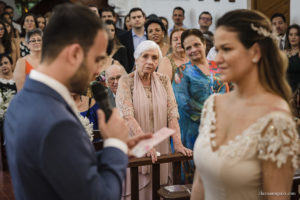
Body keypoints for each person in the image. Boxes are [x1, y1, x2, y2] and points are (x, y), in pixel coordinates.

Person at [4, 4, 151, 200]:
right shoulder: (57, 122)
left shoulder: (23, 98)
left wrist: (114, 153)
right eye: (97, 59)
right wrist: (115, 143)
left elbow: (59, 166)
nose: (99, 71)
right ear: (74, 54)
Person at [191, 9, 299, 200]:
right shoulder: (213, 104)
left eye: (227, 49)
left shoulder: (276, 120)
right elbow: (200, 182)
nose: (217, 59)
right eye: (217, 49)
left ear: (256, 52)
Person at [116, 40, 192, 199]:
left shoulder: (164, 80)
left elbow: (172, 112)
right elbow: (128, 116)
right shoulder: (126, 81)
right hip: (136, 147)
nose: (150, 61)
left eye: (154, 58)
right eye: (145, 56)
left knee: (161, 190)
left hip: (162, 146)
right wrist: (145, 145)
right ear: (136, 58)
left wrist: (177, 143)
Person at [172, 29, 229, 183]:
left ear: (204, 44)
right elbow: (183, 103)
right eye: (188, 48)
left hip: (217, 129)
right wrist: (210, 118)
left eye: (197, 44)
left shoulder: (218, 67)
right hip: (191, 132)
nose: (193, 50)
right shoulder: (182, 72)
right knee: (193, 180)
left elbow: (226, 93)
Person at [119, 7, 147, 73]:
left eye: (139, 17)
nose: (137, 19)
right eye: (134, 18)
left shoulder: (150, 35)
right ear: (130, 21)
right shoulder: (123, 38)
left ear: (144, 18)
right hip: (130, 74)